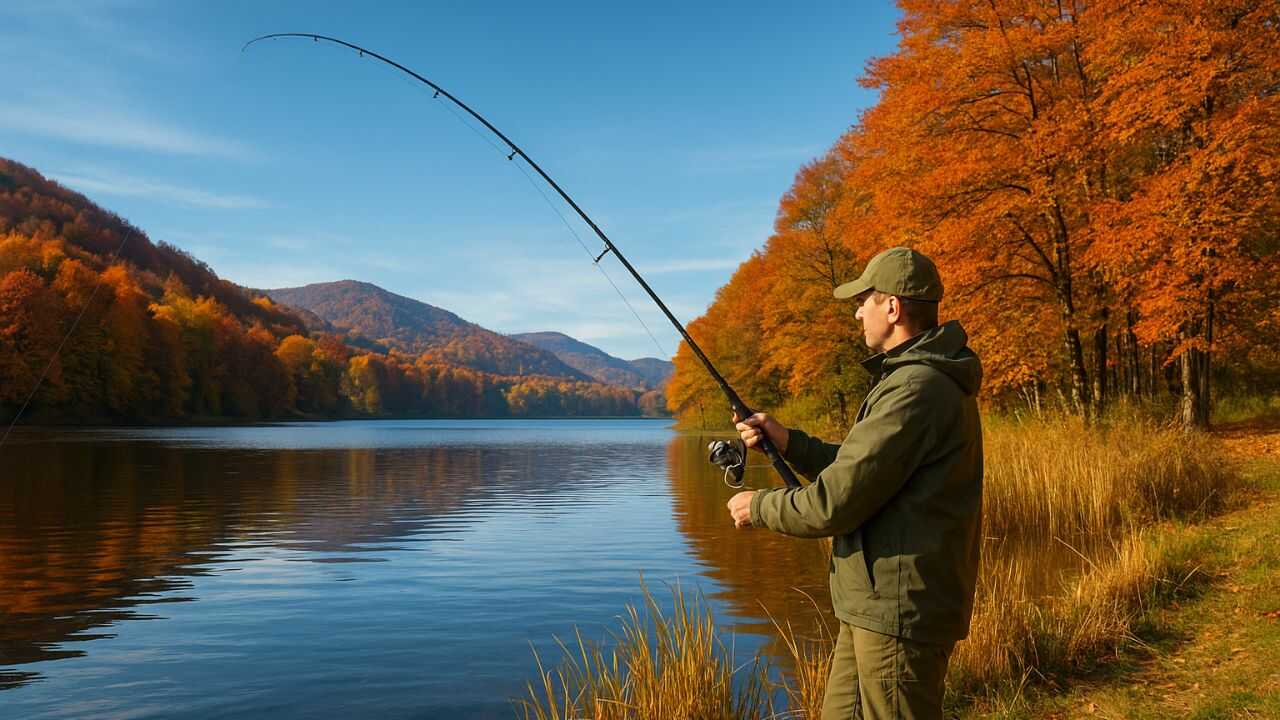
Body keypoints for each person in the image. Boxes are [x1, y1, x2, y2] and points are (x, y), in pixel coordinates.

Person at [726, 246, 983, 720]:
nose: (857, 310)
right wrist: (788, 443)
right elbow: (858, 469)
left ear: (893, 307)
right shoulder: (909, 381)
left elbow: (834, 504)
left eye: (864, 299)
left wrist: (758, 506)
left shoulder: (916, 388)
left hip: (898, 611)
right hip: (873, 603)